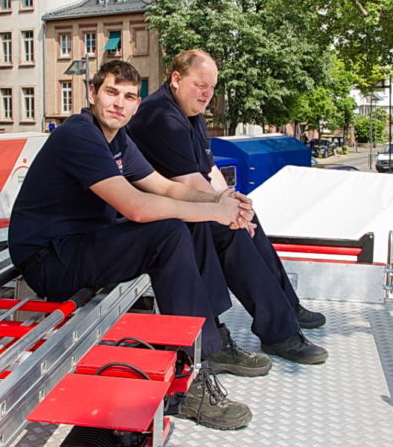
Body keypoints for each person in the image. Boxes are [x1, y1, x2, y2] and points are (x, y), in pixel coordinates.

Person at [9, 61, 261, 431]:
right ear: (92, 94)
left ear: (136, 105)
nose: (119, 104)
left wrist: (221, 201)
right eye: (111, 93)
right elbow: (137, 207)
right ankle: (189, 380)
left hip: (82, 245)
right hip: (50, 261)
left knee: (184, 225)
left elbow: (165, 187)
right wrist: (215, 212)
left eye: (129, 97)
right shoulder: (79, 134)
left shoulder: (119, 140)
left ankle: (206, 345)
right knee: (169, 231)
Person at [128, 49, 328, 365]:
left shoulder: (190, 113)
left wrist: (234, 205)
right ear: (177, 79)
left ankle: (287, 306)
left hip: (179, 206)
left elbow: (209, 171)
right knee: (229, 231)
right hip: (157, 214)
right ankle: (278, 333)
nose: (206, 94)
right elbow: (191, 181)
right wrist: (227, 213)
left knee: (248, 217)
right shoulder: (161, 116)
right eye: (200, 85)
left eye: (211, 87)